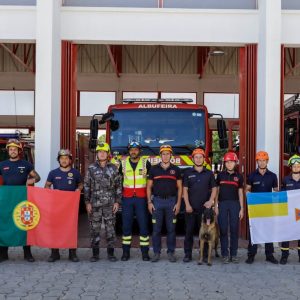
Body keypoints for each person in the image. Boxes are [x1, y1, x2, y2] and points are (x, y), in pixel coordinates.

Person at [0, 139, 40, 262]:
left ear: (19, 151)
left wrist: (28, 181)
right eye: (10, 149)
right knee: (5, 223)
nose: (13, 151)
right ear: (8, 151)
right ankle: (3, 254)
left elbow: (37, 177)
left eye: (15, 149)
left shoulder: (26, 164)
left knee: (24, 223)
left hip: (22, 199)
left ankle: (27, 253)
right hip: (6, 199)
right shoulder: (2, 165)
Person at [84, 142, 122, 262]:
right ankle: (95, 254)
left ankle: (111, 254)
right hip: (94, 205)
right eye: (99, 152)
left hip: (110, 205)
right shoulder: (91, 168)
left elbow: (118, 186)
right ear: (97, 154)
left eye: (104, 152)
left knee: (110, 229)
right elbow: (86, 186)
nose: (101, 154)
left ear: (108, 154)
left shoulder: (114, 168)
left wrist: (117, 202)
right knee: (94, 229)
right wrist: (87, 202)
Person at [44, 149, 83, 262]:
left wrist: (78, 189)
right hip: (56, 206)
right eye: (62, 158)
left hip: (71, 207)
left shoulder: (75, 173)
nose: (64, 160)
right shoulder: (53, 173)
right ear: (59, 160)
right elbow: (46, 186)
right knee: (55, 228)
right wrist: (50, 193)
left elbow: (81, 184)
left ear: (70, 160)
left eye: (66, 158)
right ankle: (54, 253)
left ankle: (72, 253)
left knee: (71, 229)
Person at [147, 144, 182, 263]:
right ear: (160, 155)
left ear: (171, 155)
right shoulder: (154, 169)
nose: (166, 156)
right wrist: (149, 202)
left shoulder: (176, 170)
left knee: (171, 229)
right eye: (163, 154)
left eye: (168, 153)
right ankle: (156, 253)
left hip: (171, 202)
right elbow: (149, 187)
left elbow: (180, 188)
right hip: (157, 201)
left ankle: (171, 252)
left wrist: (178, 204)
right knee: (156, 230)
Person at [182, 148, 217, 262]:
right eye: (196, 157)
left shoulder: (209, 173)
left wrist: (211, 201)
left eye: (200, 157)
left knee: (205, 234)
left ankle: (205, 255)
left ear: (204, 159)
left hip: (204, 211)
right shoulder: (187, 173)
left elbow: (214, 188)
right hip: (190, 209)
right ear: (192, 159)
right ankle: (188, 254)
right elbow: (185, 190)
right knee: (189, 232)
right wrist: (187, 205)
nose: (198, 159)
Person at [245, 151, 279, 264]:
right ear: (257, 162)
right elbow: (247, 189)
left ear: (267, 161)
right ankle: (251, 255)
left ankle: (269, 255)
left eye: (264, 160)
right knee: (253, 231)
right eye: (259, 160)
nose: (262, 162)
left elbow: (276, 191)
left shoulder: (273, 176)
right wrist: (247, 192)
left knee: (268, 231)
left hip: (268, 208)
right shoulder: (252, 175)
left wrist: (282, 194)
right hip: (255, 208)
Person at [120, 141, 151, 261]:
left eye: (136, 149)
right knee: (126, 226)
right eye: (131, 149)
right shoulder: (122, 163)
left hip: (141, 199)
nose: (133, 151)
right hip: (127, 199)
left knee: (143, 226)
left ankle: (145, 253)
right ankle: (125, 253)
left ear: (139, 151)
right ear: (129, 151)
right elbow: (118, 181)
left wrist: (150, 198)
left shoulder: (145, 163)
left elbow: (150, 182)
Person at [215, 152, 244, 264]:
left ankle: (234, 254)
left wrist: (242, 208)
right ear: (225, 163)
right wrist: (215, 206)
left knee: (234, 230)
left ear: (235, 163)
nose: (229, 164)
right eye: (227, 162)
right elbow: (216, 192)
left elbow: (240, 193)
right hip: (222, 204)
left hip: (235, 204)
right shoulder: (220, 176)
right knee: (223, 230)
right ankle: (225, 255)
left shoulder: (239, 177)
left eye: (231, 162)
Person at [280, 154, 300, 264]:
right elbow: (282, 195)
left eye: (298, 166)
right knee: (286, 233)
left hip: (299, 212)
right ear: (290, 167)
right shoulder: (286, 180)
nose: (296, 168)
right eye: (294, 166)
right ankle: (284, 256)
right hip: (288, 210)